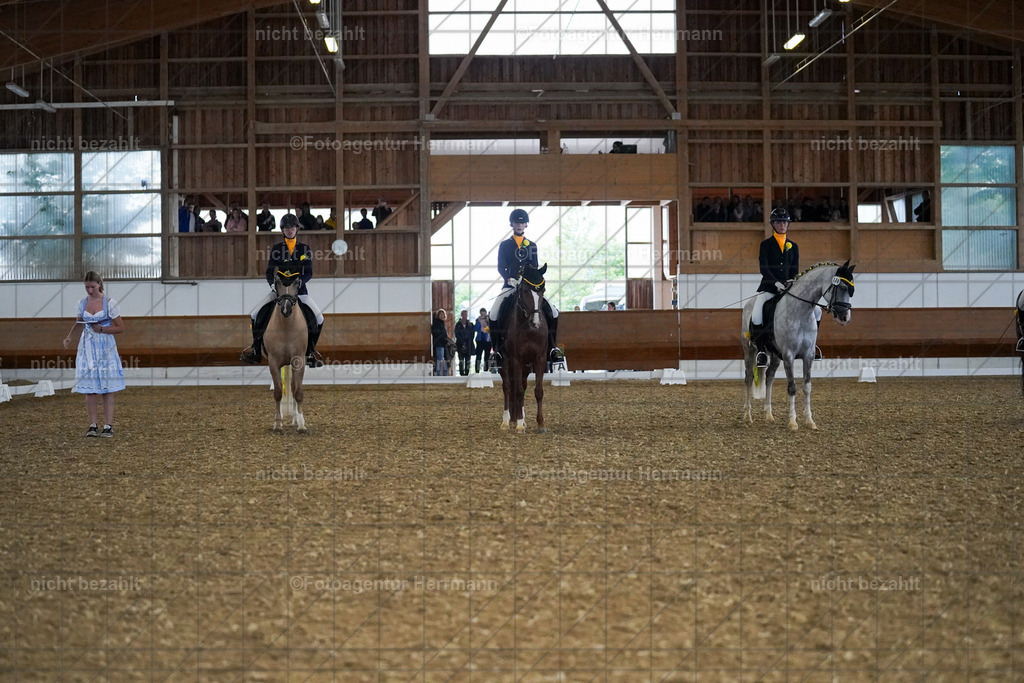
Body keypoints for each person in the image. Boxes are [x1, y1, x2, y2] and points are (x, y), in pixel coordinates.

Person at [240, 213, 325, 367]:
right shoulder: (276, 249)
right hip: (279, 291)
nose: (290, 230)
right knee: (255, 314)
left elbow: (309, 272)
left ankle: (311, 352)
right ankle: (256, 350)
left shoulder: (304, 249)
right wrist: (273, 285)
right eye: (286, 228)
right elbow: (269, 272)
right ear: (282, 230)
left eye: (292, 227)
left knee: (319, 319)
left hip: (299, 291)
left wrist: (298, 284)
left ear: (297, 229)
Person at [488, 208, 562, 371]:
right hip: (511, 284)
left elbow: (534, 266)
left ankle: (552, 348)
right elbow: (501, 266)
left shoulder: (532, 245)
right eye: (517, 222)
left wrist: (530, 280)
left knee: (553, 312)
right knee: (493, 314)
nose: (519, 225)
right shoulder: (505, 245)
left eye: (522, 222)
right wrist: (509, 278)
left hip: (529, 286)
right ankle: (497, 352)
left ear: (526, 224)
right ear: (512, 224)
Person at [749, 208, 819, 368]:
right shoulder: (765, 245)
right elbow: (764, 269)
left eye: (785, 222)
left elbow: (795, 270)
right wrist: (776, 283)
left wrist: (791, 283)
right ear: (773, 224)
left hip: (789, 289)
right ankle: (761, 351)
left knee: (817, 311)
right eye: (779, 222)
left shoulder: (793, 246)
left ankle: (812, 346)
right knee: (757, 313)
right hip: (769, 287)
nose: (782, 225)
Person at [62, 271, 125, 438]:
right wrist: (69, 337)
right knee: (90, 389)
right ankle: (92, 424)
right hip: (87, 346)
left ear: (99, 285)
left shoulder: (110, 303)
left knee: (107, 388)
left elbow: (120, 327)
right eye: (87, 287)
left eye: (93, 287)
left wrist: (102, 329)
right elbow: (79, 323)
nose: (90, 290)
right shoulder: (82, 303)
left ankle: (108, 425)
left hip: (105, 346)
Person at [454, 309, 475, 376]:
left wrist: (468, 341)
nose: (465, 316)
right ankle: (461, 373)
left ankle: (467, 372)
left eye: (466, 314)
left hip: (468, 344)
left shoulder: (470, 324)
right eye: (463, 314)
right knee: (461, 360)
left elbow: (472, 334)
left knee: (468, 360)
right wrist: (462, 342)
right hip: (460, 344)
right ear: (461, 315)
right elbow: (457, 334)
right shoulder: (458, 324)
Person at [431, 309, 449, 376]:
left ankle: (445, 373)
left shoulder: (442, 323)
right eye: (440, 314)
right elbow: (435, 332)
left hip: (443, 343)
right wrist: (442, 334)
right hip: (439, 343)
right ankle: (439, 374)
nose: (442, 316)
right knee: (440, 359)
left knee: (446, 359)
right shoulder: (436, 323)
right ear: (438, 315)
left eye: (443, 314)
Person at [473, 308, 491, 373]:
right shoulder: (478, 320)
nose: (483, 315)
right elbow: (476, 329)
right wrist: (479, 322)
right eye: (481, 313)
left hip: (487, 340)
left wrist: (486, 323)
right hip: (480, 340)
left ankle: (486, 370)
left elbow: (490, 330)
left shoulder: (489, 320)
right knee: (478, 356)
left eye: (484, 313)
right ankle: (477, 370)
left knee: (487, 357)